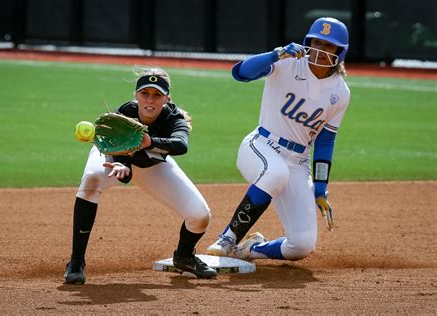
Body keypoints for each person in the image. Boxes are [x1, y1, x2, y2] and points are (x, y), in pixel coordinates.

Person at [207, 17, 351, 262]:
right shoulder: (288, 64)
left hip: (298, 163)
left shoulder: (341, 92)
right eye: (316, 42)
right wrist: (276, 54)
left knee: (302, 245)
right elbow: (240, 73)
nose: (321, 50)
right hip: (261, 146)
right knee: (276, 173)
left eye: (328, 46)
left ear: (340, 51)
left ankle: (249, 249)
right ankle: (229, 237)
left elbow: (326, 142)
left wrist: (320, 188)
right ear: (308, 43)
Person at [64, 67, 217, 283]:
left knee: (200, 216)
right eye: (145, 93)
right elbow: (114, 146)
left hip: (151, 166)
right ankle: (76, 262)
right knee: (92, 179)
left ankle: (184, 256)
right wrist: (121, 164)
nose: (150, 100)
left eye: (157, 95)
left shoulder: (174, 118)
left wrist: (150, 142)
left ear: (167, 98)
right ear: (136, 95)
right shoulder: (125, 112)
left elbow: (181, 145)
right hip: (113, 158)